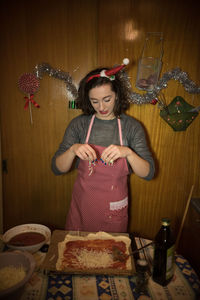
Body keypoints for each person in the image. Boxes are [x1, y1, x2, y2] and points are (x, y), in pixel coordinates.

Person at [51, 59, 155, 233]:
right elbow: (56, 168)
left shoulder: (131, 127)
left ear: (117, 95)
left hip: (113, 211)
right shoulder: (79, 125)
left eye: (107, 99)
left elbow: (149, 173)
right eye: (94, 101)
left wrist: (128, 153)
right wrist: (72, 149)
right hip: (82, 209)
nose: (101, 107)